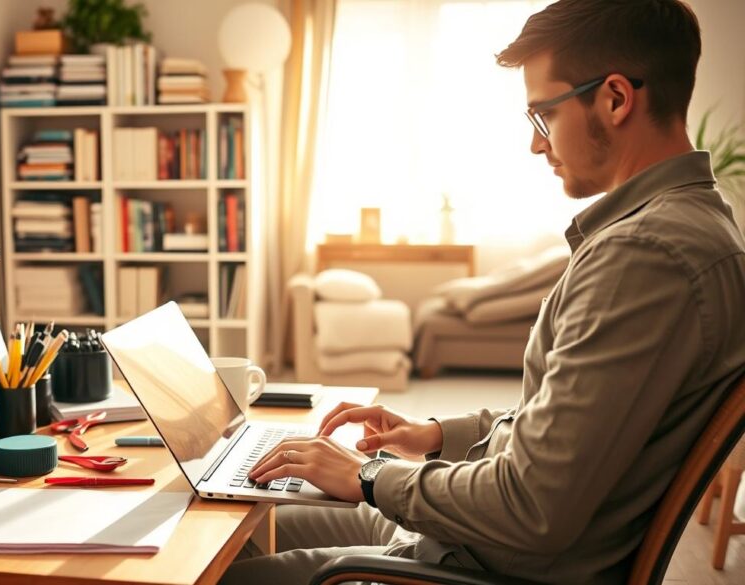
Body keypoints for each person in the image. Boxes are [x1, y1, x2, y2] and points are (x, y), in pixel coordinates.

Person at [220, 1, 745, 583]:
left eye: (543, 115)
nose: (536, 144)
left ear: (616, 99)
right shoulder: (687, 227)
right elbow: (567, 422)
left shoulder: (646, 257)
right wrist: (439, 435)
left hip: (470, 564)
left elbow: (532, 503)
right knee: (231, 518)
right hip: (461, 540)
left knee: (209, 566)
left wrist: (369, 477)